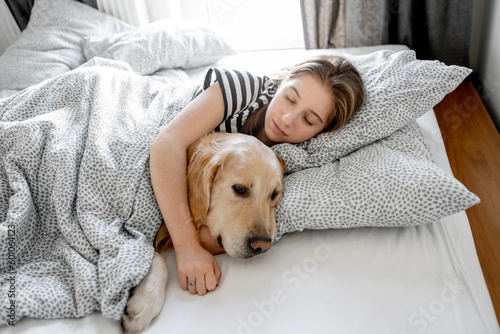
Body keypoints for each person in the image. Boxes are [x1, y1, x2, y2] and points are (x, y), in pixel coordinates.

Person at [149, 55, 365, 296]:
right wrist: (187, 246)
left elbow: (218, 235)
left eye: (308, 119)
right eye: (289, 98)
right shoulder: (242, 90)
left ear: (321, 132)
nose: (287, 119)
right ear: (282, 83)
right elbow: (167, 145)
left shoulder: (295, 155)